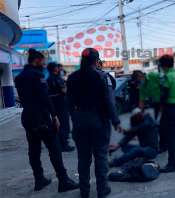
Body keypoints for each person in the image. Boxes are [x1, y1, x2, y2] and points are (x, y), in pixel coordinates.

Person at [14, 49, 79, 192]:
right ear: (36, 60)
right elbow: (45, 97)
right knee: (54, 149)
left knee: (34, 150)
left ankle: (39, 180)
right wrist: (54, 116)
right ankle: (63, 181)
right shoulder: (37, 76)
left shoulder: (19, 78)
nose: (44, 64)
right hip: (42, 118)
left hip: (27, 117)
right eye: (43, 61)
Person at [67, 48, 121, 198]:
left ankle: (84, 192)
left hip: (80, 123)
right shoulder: (103, 77)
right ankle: (102, 190)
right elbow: (110, 101)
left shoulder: (72, 78)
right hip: (99, 122)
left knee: (83, 158)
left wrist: (75, 118)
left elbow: (68, 104)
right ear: (97, 61)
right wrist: (115, 120)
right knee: (101, 156)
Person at [47, 62, 75, 152]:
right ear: (54, 68)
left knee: (58, 124)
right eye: (58, 67)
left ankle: (59, 143)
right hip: (60, 104)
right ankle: (64, 145)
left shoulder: (49, 79)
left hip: (55, 104)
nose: (60, 69)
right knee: (63, 124)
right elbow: (64, 90)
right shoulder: (56, 79)